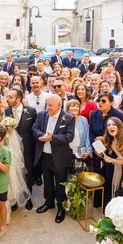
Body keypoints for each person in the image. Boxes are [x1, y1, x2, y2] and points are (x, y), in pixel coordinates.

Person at [33, 95, 75, 223]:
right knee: (48, 181)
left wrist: (53, 138)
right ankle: (49, 202)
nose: (47, 107)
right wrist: (41, 136)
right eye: (47, 104)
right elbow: (34, 128)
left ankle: (61, 208)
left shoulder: (68, 118)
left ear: (58, 105)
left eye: (50, 105)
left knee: (60, 183)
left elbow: (69, 137)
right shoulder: (42, 115)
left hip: (60, 156)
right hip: (45, 155)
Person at [5, 88, 38, 210]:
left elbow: (35, 129)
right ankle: (14, 200)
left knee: (28, 173)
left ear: (18, 99)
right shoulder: (5, 111)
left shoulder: (31, 111)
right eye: (7, 97)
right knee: (14, 174)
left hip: (28, 148)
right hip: (12, 148)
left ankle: (28, 198)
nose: (7, 99)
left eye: (10, 97)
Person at [66, 99, 92, 165]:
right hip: (67, 152)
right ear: (68, 109)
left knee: (78, 172)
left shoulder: (83, 119)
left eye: (77, 106)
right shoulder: (64, 119)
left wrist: (88, 150)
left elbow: (87, 136)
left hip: (81, 151)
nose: (75, 108)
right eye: (72, 106)